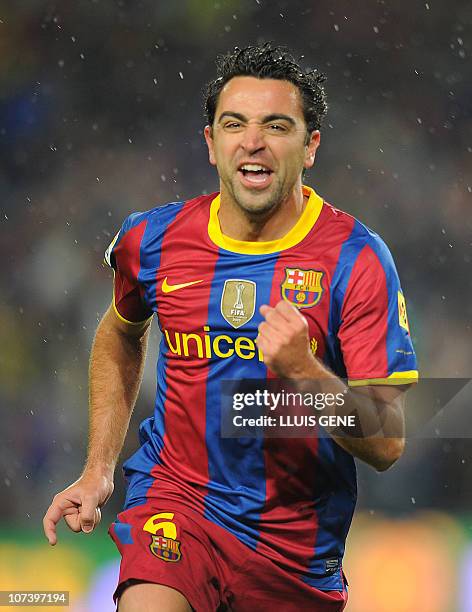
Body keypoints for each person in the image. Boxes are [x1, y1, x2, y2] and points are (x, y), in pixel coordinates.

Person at [43, 43, 418, 611]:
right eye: (234, 123)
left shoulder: (356, 259)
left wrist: (303, 372)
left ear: (311, 146)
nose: (253, 141)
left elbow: (387, 439)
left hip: (294, 551)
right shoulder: (154, 240)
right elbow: (122, 329)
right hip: (177, 502)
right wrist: (98, 471)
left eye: (277, 125)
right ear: (211, 142)